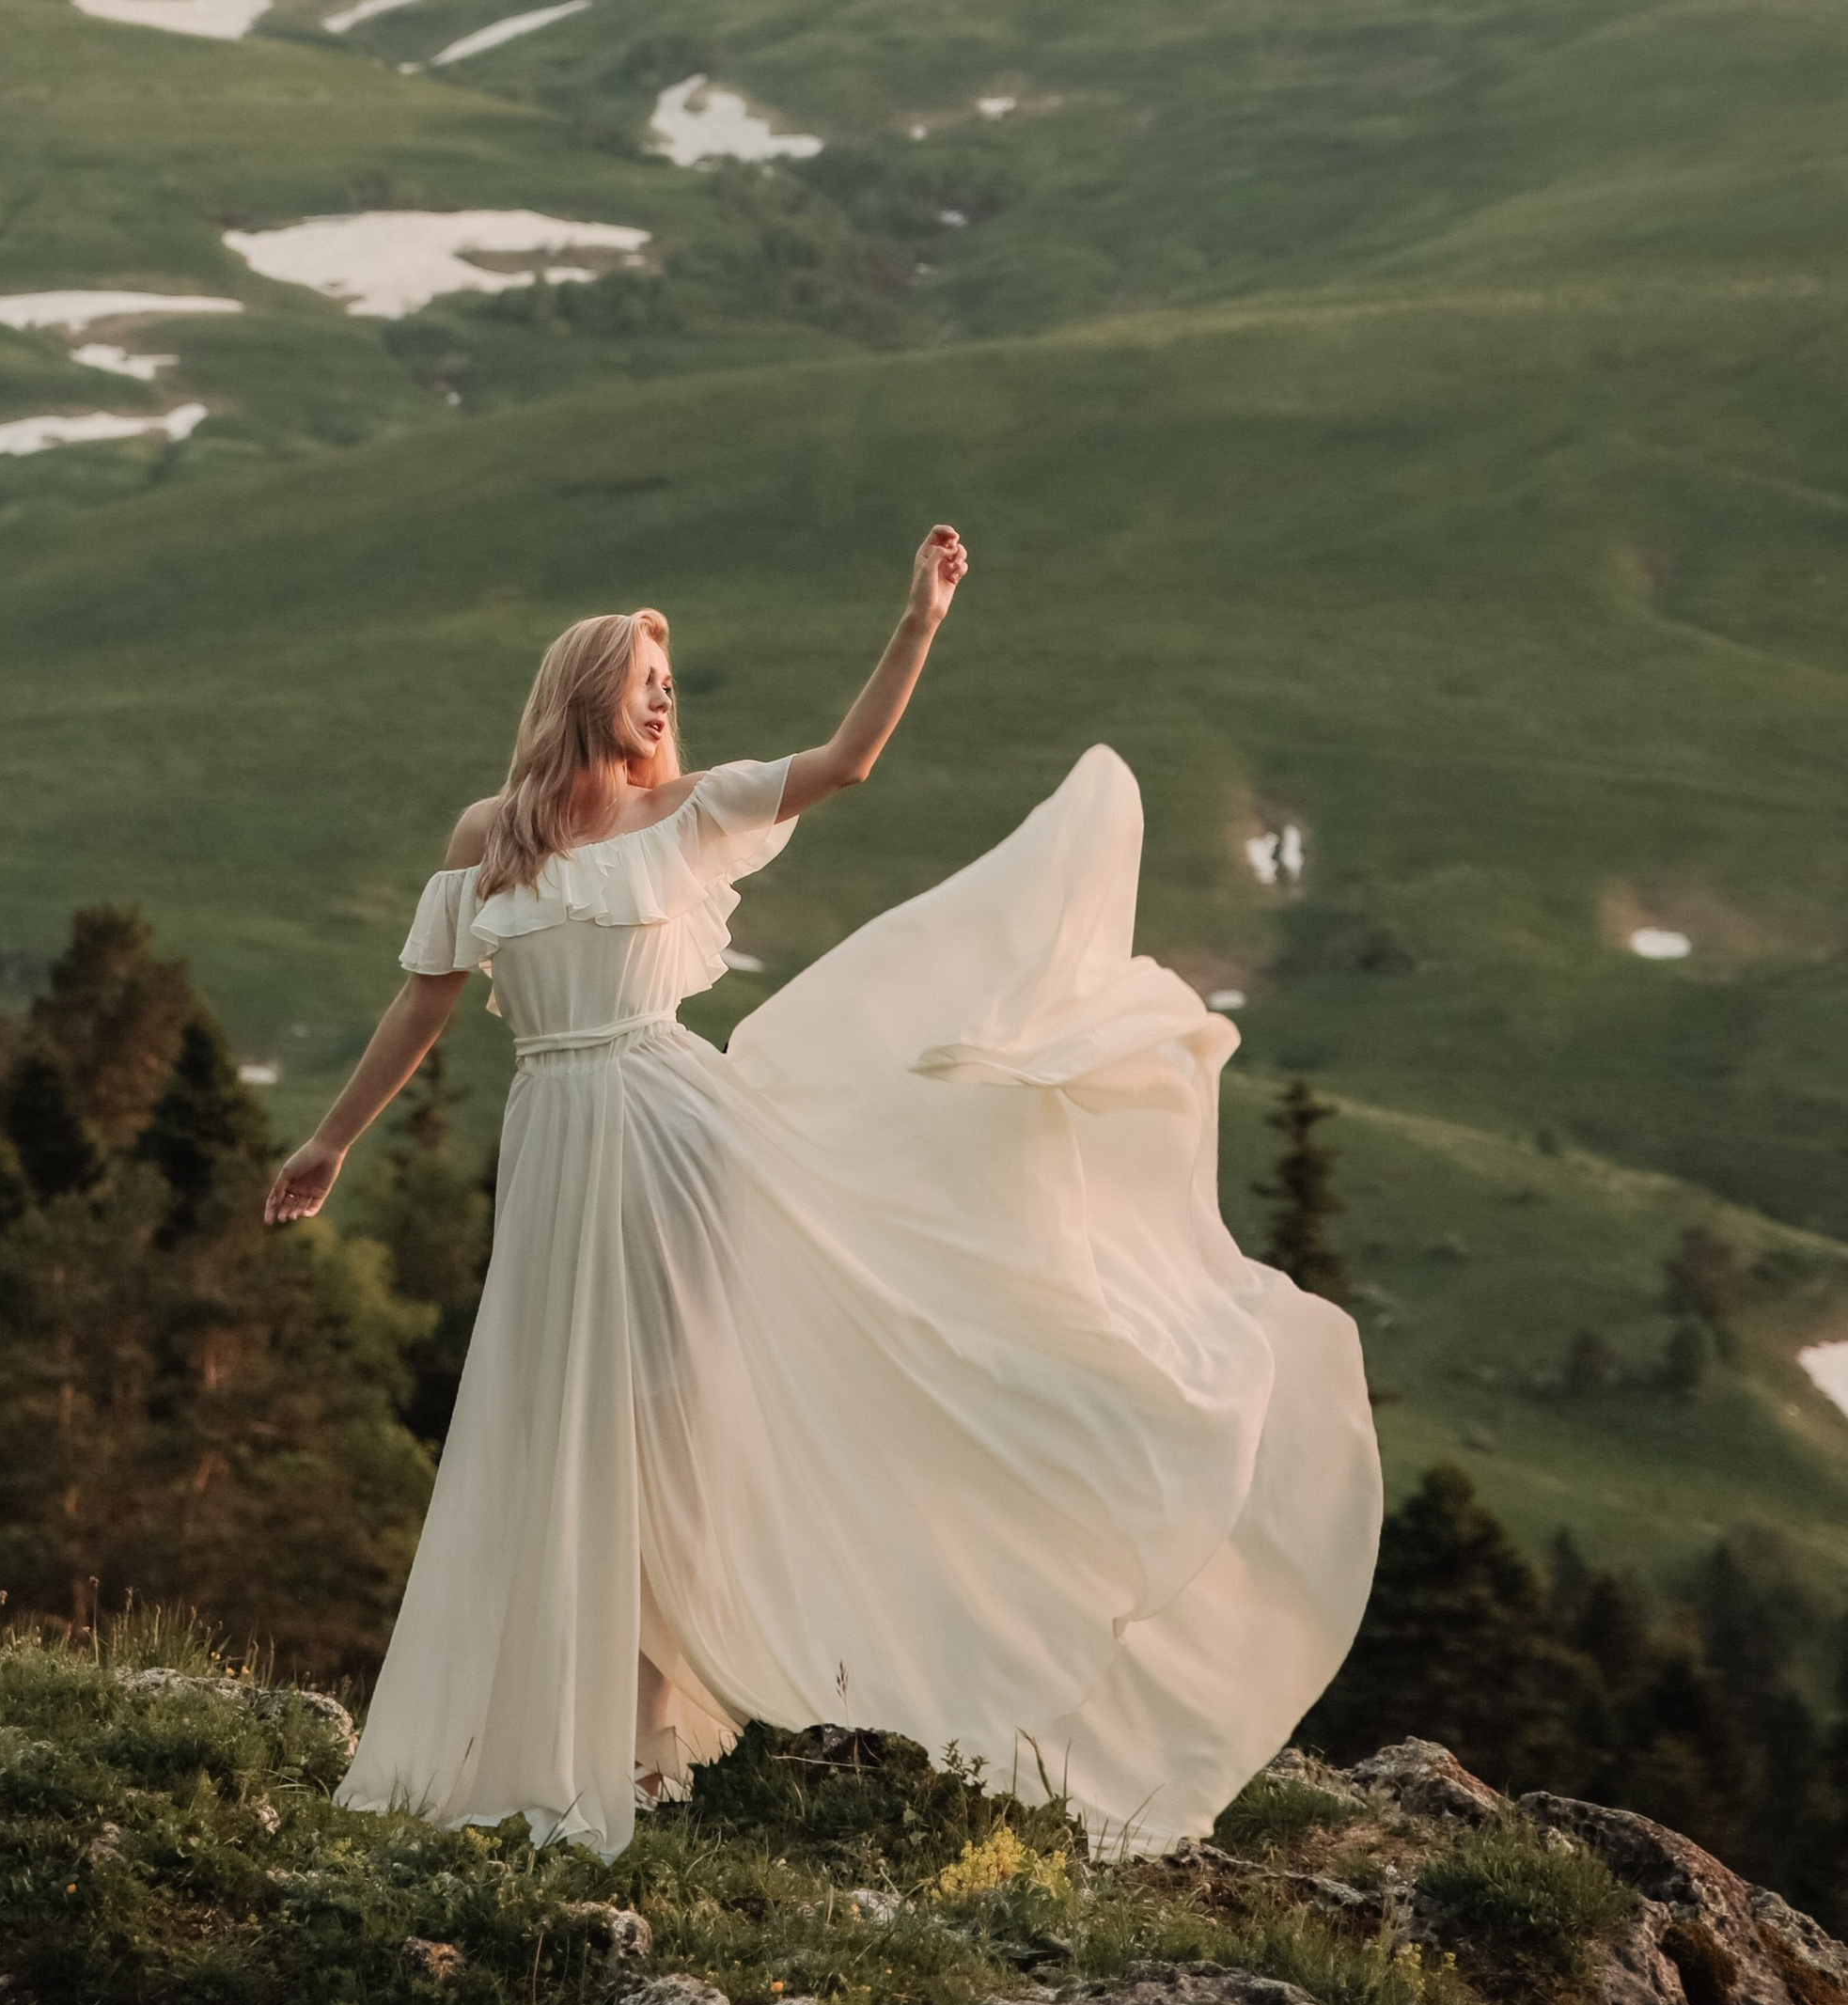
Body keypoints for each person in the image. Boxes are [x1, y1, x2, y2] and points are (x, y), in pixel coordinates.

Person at [266, 526, 1381, 1857]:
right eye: (642, 672)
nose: (665, 695)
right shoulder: (487, 839)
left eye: (671, 679)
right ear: (581, 689)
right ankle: (596, 1735)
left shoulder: (685, 815)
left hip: (676, 1139)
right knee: (556, 1423)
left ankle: (645, 1746)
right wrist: (333, 1139)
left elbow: (847, 763)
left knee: (658, 1431)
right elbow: (424, 1000)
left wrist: (919, 619)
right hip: (556, 1137)